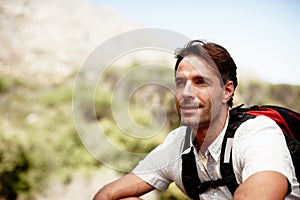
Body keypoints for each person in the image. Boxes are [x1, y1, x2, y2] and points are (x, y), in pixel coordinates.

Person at [93, 40, 300, 199]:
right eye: (181, 83)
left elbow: (261, 193)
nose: (186, 93)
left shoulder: (257, 132)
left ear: (227, 91)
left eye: (200, 82)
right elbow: (107, 194)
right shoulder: (176, 145)